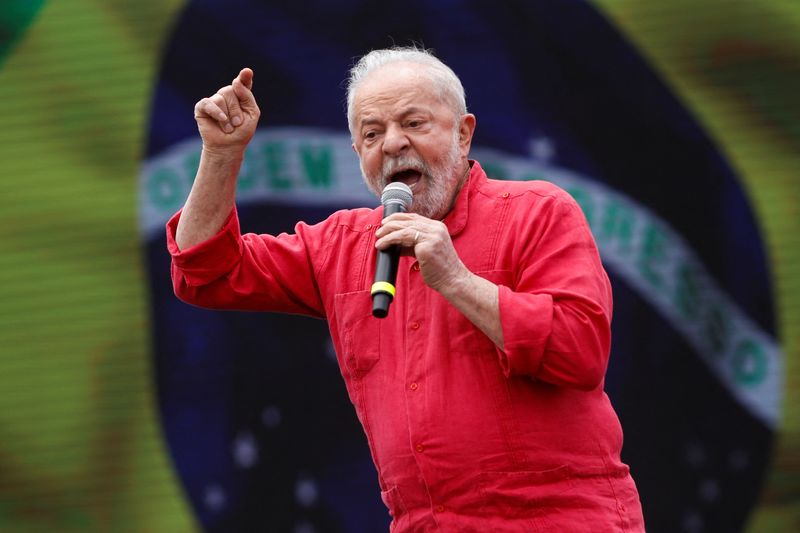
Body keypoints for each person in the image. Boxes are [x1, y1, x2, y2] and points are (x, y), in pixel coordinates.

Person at [168, 46, 645, 532]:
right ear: (358, 155)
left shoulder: (538, 212)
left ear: (463, 133)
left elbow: (579, 351)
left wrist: (457, 280)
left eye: (414, 124)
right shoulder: (340, 245)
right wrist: (221, 154)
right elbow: (206, 272)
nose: (393, 144)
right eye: (372, 134)